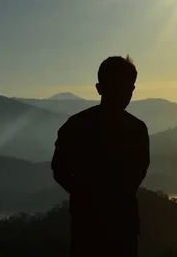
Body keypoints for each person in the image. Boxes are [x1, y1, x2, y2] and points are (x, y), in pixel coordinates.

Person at [51, 55, 150, 257]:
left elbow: (59, 170)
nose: (123, 93)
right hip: (114, 223)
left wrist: (82, 194)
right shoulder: (136, 128)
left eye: (128, 87)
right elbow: (138, 172)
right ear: (100, 88)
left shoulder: (77, 124)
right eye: (117, 86)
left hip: (93, 222)